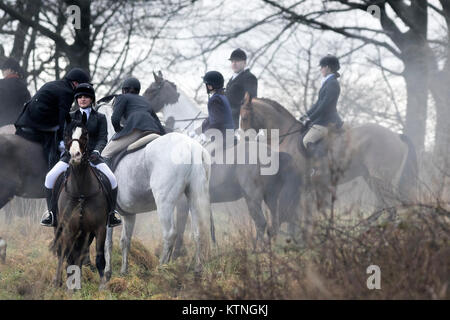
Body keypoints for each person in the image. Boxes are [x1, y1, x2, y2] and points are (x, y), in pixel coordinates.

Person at [40, 83, 122, 227]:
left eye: (86, 97)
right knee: (49, 177)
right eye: (80, 97)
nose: (83, 99)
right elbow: (65, 137)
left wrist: (97, 151)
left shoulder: (100, 117)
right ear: (76, 99)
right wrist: (69, 151)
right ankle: (51, 213)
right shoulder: (70, 117)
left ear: (91, 99)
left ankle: (111, 214)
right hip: (71, 156)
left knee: (112, 179)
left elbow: (103, 138)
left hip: (93, 157)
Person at [15, 67, 90, 168]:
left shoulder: (55, 84)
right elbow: (62, 118)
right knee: (54, 148)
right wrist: (61, 141)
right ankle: (49, 167)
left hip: (25, 118)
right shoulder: (67, 92)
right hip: (38, 123)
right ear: (76, 83)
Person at [101, 77, 166, 160]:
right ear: (138, 90)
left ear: (124, 90)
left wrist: (119, 130)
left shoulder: (122, 97)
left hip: (136, 129)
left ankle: (106, 173)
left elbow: (115, 119)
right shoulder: (145, 101)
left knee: (105, 153)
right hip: (154, 129)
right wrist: (164, 136)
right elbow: (157, 122)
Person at [300, 54, 343, 160]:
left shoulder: (332, 83)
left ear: (327, 67)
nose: (321, 69)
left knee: (307, 141)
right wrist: (305, 116)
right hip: (322, 120)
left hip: (328, 121)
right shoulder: (327, 83)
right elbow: (318, 104)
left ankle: (318, 167)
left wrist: (310, 119)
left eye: (322, 67)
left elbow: (324, 106)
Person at [225, 48, 258, 129]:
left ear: (244, 63)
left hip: (238, 122)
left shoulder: (249, 77)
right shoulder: (232, 78)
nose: (234, 63)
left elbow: (250, 101)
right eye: (232, 61)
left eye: (237, 61)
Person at [201, 70, 235, 148]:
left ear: (210, 86)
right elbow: (216, 117)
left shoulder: (215, 99)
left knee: (204, 155)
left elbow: (216, 123)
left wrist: (205, 133)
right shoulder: (222, 96)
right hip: (229, 135)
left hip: (221, 139)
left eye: (207, 84)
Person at [0, 58, 31, 126]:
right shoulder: (23, 86)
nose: (2, 72)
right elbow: (29, 104)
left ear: (11, 70)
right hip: (17, 125)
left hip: (2, 123)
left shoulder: (1, 84)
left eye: (4, 69)